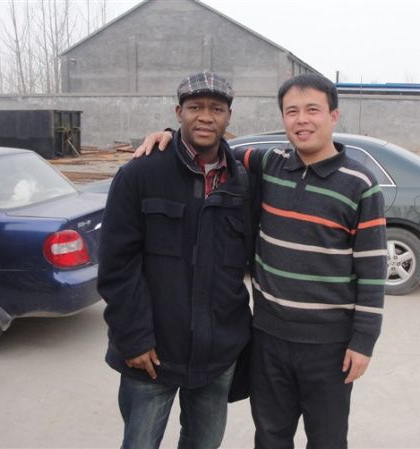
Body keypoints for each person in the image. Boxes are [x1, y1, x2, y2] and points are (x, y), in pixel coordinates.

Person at [135, 73, 387, 449]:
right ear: (282, 118)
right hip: (268, 338)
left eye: (313, 110)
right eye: (292, 111)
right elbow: (213, 148)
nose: (302, 120)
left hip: (329, 346)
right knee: (270, 436)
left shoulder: (360, 184)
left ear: (333, 116)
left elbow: (372, 270)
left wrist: (364, 341)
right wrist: (171, 137)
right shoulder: (270, 163)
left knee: (328, 438)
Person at [97, 71, 255, 449]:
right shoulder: (141, 174)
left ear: (229, 116)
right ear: (178, 112)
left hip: (217, 354)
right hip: (151, 355)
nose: (205, 117)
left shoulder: (243, 181)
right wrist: (134, 339)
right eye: (195, 107)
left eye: (216, 109)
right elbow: (117, 267)